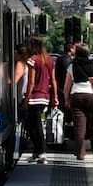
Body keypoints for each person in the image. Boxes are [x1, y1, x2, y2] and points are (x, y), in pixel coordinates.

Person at [22, 34, 57, 163]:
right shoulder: (48, 60)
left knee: (33, 126)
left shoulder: (33, 60)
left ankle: (41, 152)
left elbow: (31, 82)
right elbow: (53, 80)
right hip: (45, 96)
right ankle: (38, 152)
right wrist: (55, 96)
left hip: (34, 96)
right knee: (34, 124)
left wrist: (26, 99)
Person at [64, 43, 93, 160]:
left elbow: (67, 86)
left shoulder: (71, 66)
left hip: (77, 95)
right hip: (91, 95)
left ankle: (80, 153)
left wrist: (67, 99)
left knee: (79, 126)